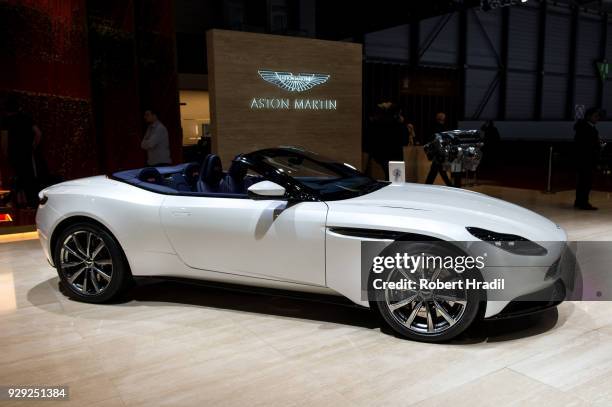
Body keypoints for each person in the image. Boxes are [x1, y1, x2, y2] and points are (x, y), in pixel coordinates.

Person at [1, 94, 42, 208]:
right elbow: (38, 133)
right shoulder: (26, 117)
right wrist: (33, 146)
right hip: (27, 152)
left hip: (13, 153)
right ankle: (32, 203)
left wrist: (5, 152)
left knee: (17, 176)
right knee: (28, 177)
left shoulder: (5, 121)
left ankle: (15, 202)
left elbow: (4, 138)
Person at [574, 107, 602, 210]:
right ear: (588, 116)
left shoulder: (586, 128)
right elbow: (585, 145)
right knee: (585, 182)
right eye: (595, 116)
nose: (597, 118)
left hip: (585, 159)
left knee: (583, 182)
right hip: (586, 160)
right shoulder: (587, 129)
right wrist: (597, 146)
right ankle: (583, 203)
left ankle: (579, 201)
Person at [425, 112, 453, 186]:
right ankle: (450, 185)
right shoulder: (442, 128)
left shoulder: (434, 127)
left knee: (437, 170)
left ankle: (427, 185)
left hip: (437, 152)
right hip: (440, 152)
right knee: (437, 170)